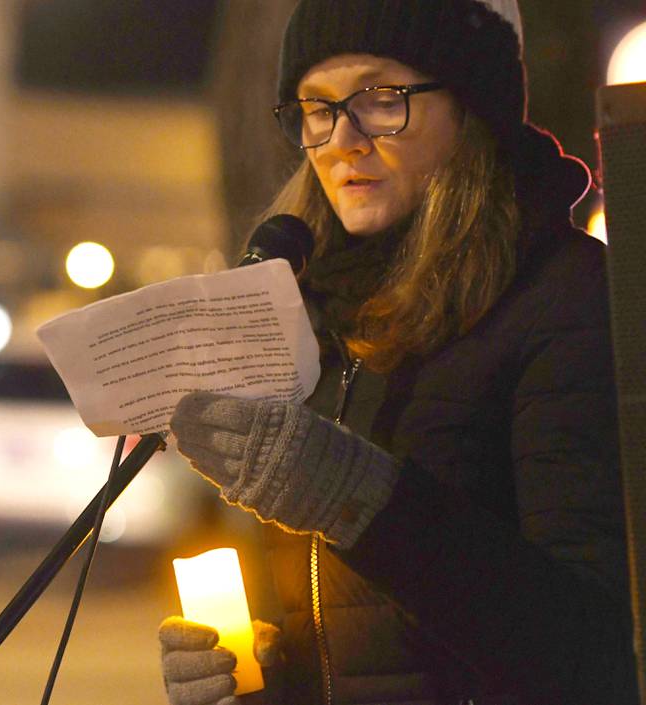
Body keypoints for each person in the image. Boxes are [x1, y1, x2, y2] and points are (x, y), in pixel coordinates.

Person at [158, 1, 638, 704]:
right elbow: (346, 635)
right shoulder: (310, 303)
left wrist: (352, 494)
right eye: (315, 109)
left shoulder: (563, 299)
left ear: (470, 105)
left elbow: (594, 654)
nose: (341, 139)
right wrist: (247, 673)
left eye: (381, 99)